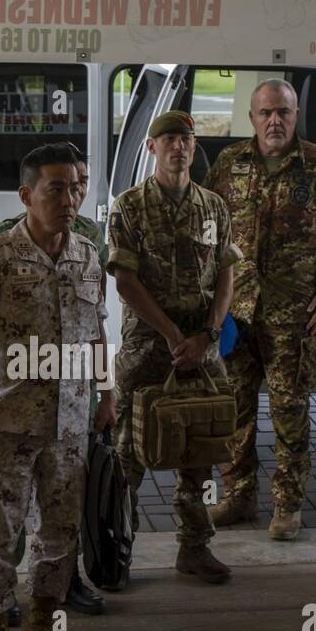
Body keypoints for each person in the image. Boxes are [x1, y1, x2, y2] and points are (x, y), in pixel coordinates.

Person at [0, 143, 113, 631]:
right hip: (8, 418)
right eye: (56, 188)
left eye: (77, 186)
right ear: (26, 195)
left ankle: (44, 625)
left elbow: (97, 331)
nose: (70, 199)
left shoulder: (88, 255)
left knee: (60, 531)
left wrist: (107, 395)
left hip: (69, 421)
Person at [204, 79, 316, 540]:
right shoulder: (229, 164)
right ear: (252, 118)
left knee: (289, 412)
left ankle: (288, 506)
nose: (275, 121)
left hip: (292, 318)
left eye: (284, 113)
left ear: (296, 117)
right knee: (234, 411)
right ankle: (238, 496)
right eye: (266, 113)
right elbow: (209, 229)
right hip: (236, 313)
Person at [107, 110, 238, 583]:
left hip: (202, 348)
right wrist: (170, 334)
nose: (178, 147)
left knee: (201, 447)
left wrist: (210, 333)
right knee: (128, 453)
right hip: (148, 347)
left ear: (193, 145)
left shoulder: (214, 207)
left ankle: (195, 548)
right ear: (151, 148)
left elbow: (226, 271)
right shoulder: (130, 207)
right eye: (168, 139)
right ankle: (115, 549)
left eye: (185, 138)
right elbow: (125, 281)